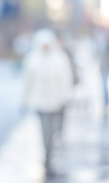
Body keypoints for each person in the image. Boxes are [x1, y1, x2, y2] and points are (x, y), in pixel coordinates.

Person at [21, 28, 74, 174]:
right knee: (45, 130)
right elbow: (28, 82)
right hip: (41, 103)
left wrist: (66, 97)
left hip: (57, 101)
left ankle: (51, 148)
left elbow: (66, 79)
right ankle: (47, 154)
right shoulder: (32, 59)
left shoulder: (61, 58)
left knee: (55, 129)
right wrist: (25, 100)